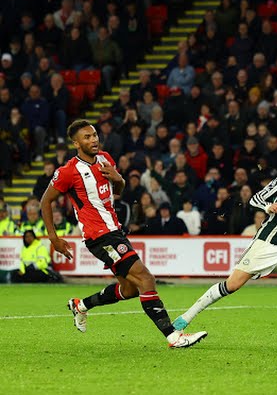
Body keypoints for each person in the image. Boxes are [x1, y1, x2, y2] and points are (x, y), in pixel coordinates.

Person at [41, 120, 206, 348]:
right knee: (146, 279)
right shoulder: (68, 171)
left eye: (95, 135)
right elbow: (45, 201)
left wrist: (118, 179)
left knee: (129, 289)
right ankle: (174, 336)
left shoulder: (105, 158)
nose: (94, 139)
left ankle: (81, 305)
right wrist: (53, 237)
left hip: (114, 230)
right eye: (87, 137)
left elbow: (117, 190)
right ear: (75, 143)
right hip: (99, 235)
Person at [173, 145, 277, 342]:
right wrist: (268, 207)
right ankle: (184, 319)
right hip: (265, 245)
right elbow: (256, 199)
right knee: (232, 285)